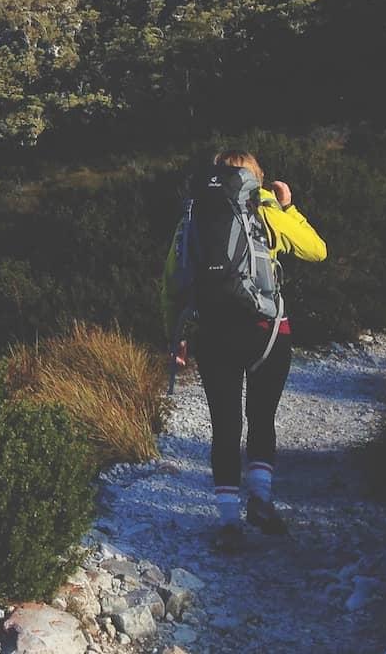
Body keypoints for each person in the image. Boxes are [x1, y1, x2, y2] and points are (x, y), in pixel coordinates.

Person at [161, 149, 326, 550]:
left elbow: (172, 280)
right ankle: (262, 501)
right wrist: (288, 208)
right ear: (257, 179)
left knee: (225, 426)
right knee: (262, 418)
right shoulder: (267, 210)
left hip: (214, 333)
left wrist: (175, 336)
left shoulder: (193, 216)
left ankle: (229, 522)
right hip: (268, 332)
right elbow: (316, 250)